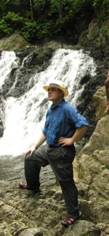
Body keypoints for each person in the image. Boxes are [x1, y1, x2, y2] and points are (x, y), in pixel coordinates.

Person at [19, 80, 89, 227]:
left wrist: (71, 140)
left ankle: (74, 214)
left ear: (61, 93)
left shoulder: (67, 109)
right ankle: (33, 185)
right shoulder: (51, 108)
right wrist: (34, 146)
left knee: (66, 182)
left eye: (53, 89)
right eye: (48, 89)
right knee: (30, 158)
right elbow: (45, 131)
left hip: (62, 151)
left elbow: (83, 124)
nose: (49, 92)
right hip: (49, 148)